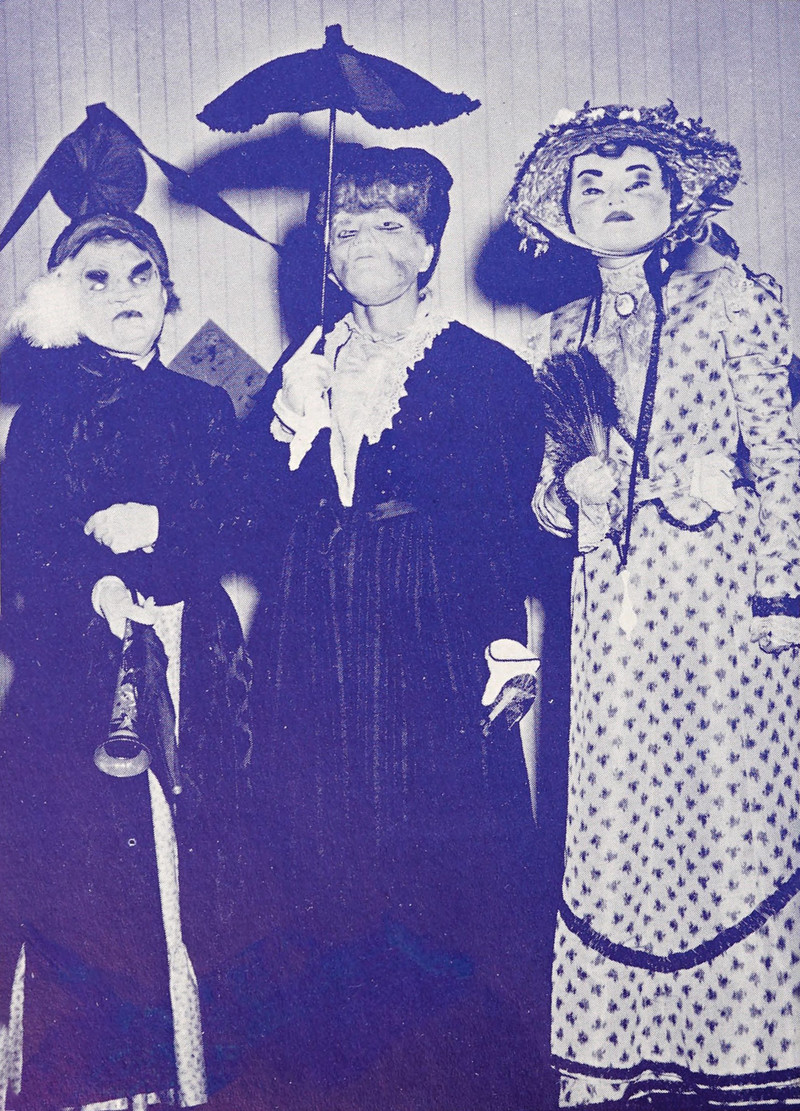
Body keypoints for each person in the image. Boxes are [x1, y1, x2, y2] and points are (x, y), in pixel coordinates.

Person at [238, 145, 550, 1110]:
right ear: (326, 254)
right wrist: (289, 422)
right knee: (317, 842)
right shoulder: (303, 365)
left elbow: (504, 526)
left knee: (439, 847)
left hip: (429, 626)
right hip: (313, 626)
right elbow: (252, 514)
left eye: (389, 225)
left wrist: (508, 648)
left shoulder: (485, 370)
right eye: (346, 227)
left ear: (425, 248)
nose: (365, 243)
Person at [507, 101, 800, 1108]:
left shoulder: (733, 300)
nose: (616, 199)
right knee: (617, 809)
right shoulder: (557, 331)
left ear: (677, 201)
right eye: (591, 185)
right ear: (564, 216)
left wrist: (779, 588)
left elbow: (784, 453)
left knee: (728, 804)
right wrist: (570, 488)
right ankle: (618, 1052)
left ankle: (745, 1051)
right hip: (611, 599)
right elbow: (542, 501)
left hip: (722, 593)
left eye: (639, 181)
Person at [1, 207, 255, 1110]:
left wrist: (164, 527)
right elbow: (19, 547)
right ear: (61, 301)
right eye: (97, 278)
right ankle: (108, 1081)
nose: (124, 294)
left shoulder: (204, 404)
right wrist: (94, 586)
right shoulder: (45, 414)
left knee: (198, 861)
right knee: (89, 864)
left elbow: (241, 521)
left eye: (141, 273)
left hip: (196, 658)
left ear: (167, 289)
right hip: (79, 668)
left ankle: (191, 1073)